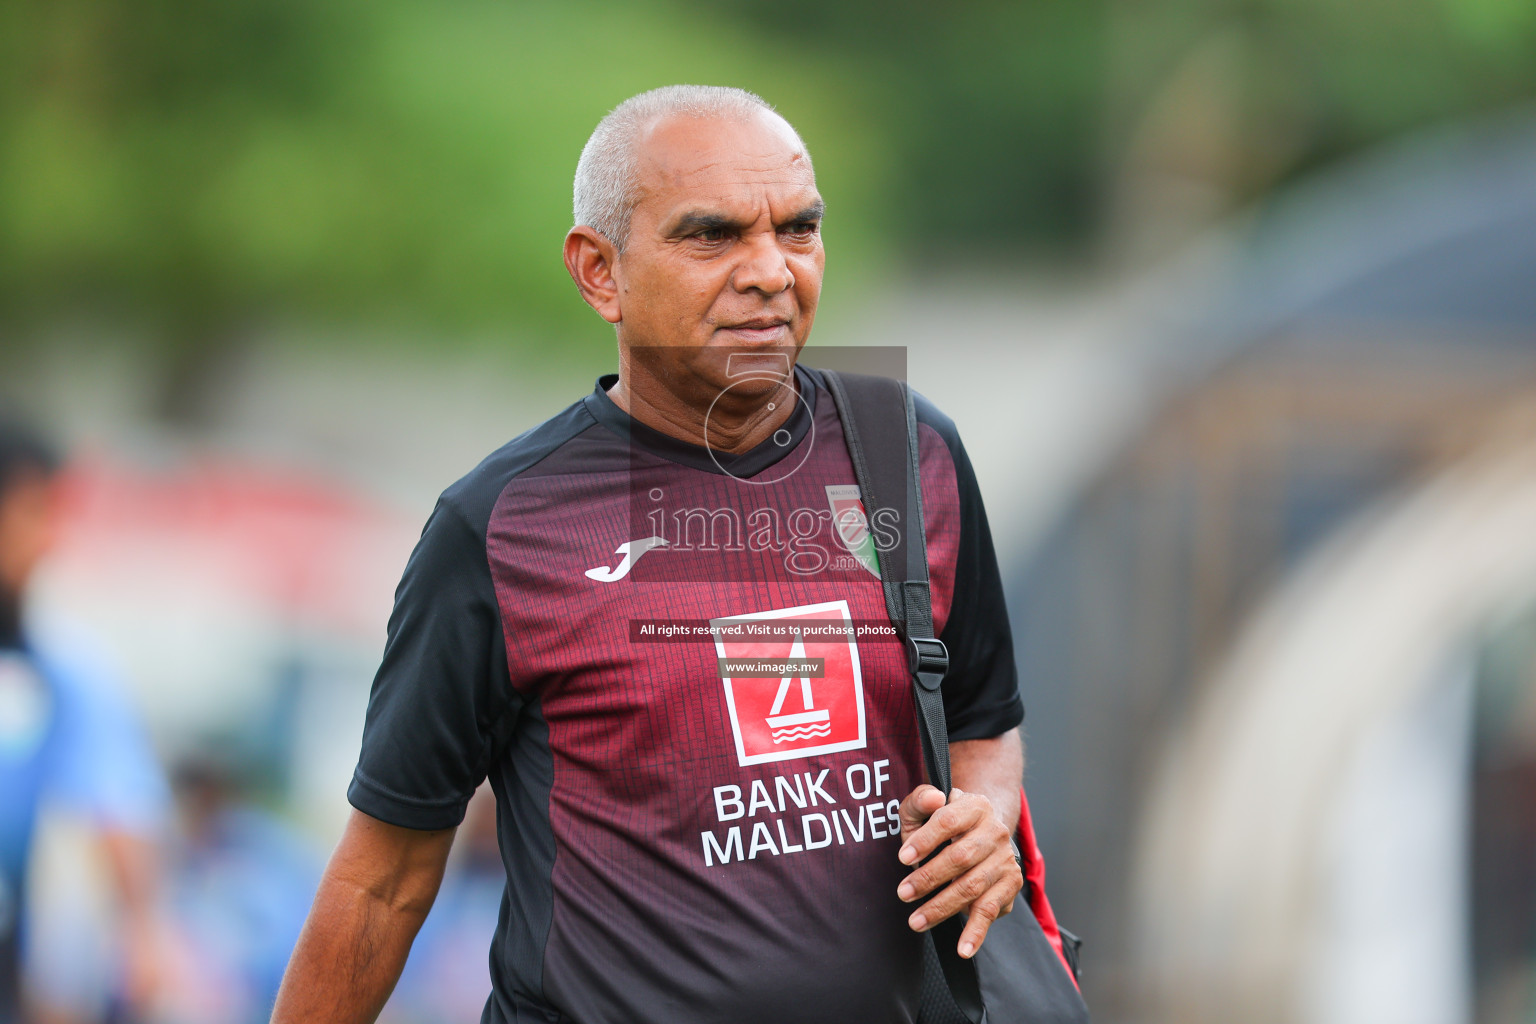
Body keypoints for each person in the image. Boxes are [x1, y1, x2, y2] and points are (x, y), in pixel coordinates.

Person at [273, 85, 1026, 1024]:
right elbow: (383, 881)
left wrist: (985, 819)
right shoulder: (501, 526)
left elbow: (984, 721)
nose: (770, 271)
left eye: (797, 229)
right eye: (712, 235)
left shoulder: (910, 453)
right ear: (600, 272)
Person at [0, 416, 170, 1024]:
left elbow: (115, 804)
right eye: (34, 513)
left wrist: (144, 932)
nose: (49, 541)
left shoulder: (59, 669)